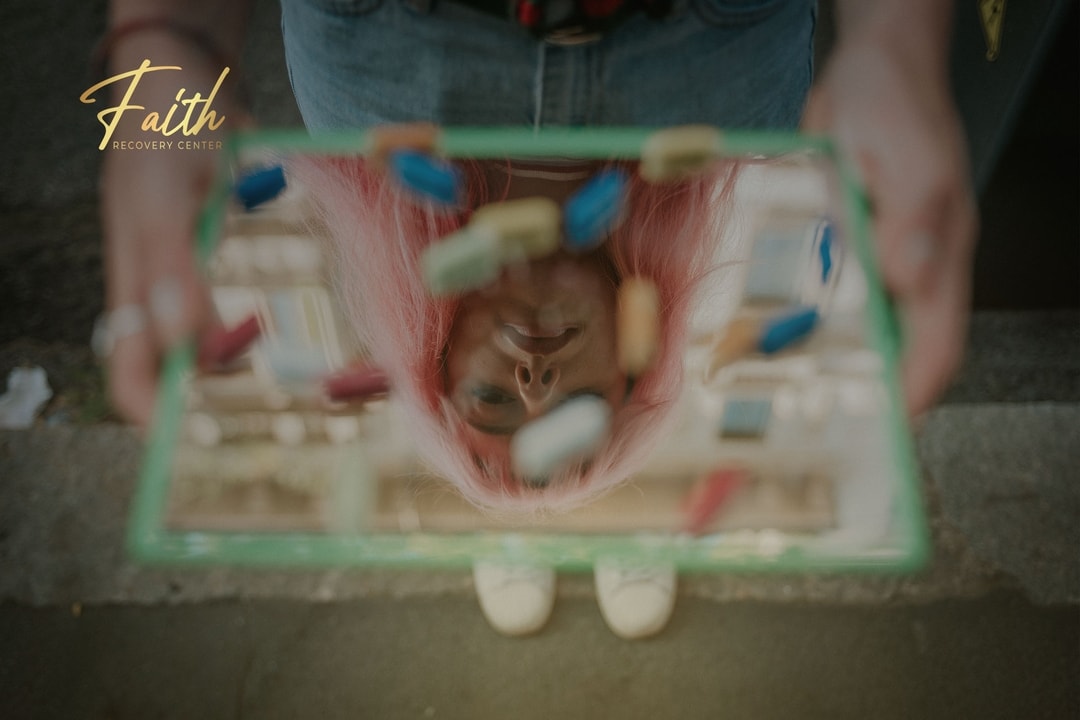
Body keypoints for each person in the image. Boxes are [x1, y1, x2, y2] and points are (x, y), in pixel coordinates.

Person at [94, 0, 977, 637]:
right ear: (637, 373)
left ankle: (563, 513)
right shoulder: (717, 178)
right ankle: (561, 515)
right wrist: (166, 38)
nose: (535, 384)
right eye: (569, 419)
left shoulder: (386, 189)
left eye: (493, 408)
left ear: (433, 356)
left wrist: (897, 37)